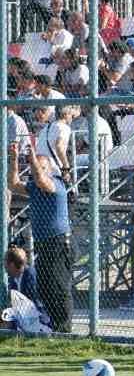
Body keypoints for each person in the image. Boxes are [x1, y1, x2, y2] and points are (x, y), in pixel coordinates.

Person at [6, 142, 71, 333]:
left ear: (50, 169)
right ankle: (52, 327)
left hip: (59, 242)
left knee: (59, 287)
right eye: (35, 167)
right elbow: (13, 183)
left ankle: (65, 330)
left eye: (41, 167)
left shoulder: (55, 183)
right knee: (44, 287)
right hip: (44, 244)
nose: (36, 172)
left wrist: (32, 157)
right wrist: (15, 158)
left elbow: (42, 178)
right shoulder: (34, 187)